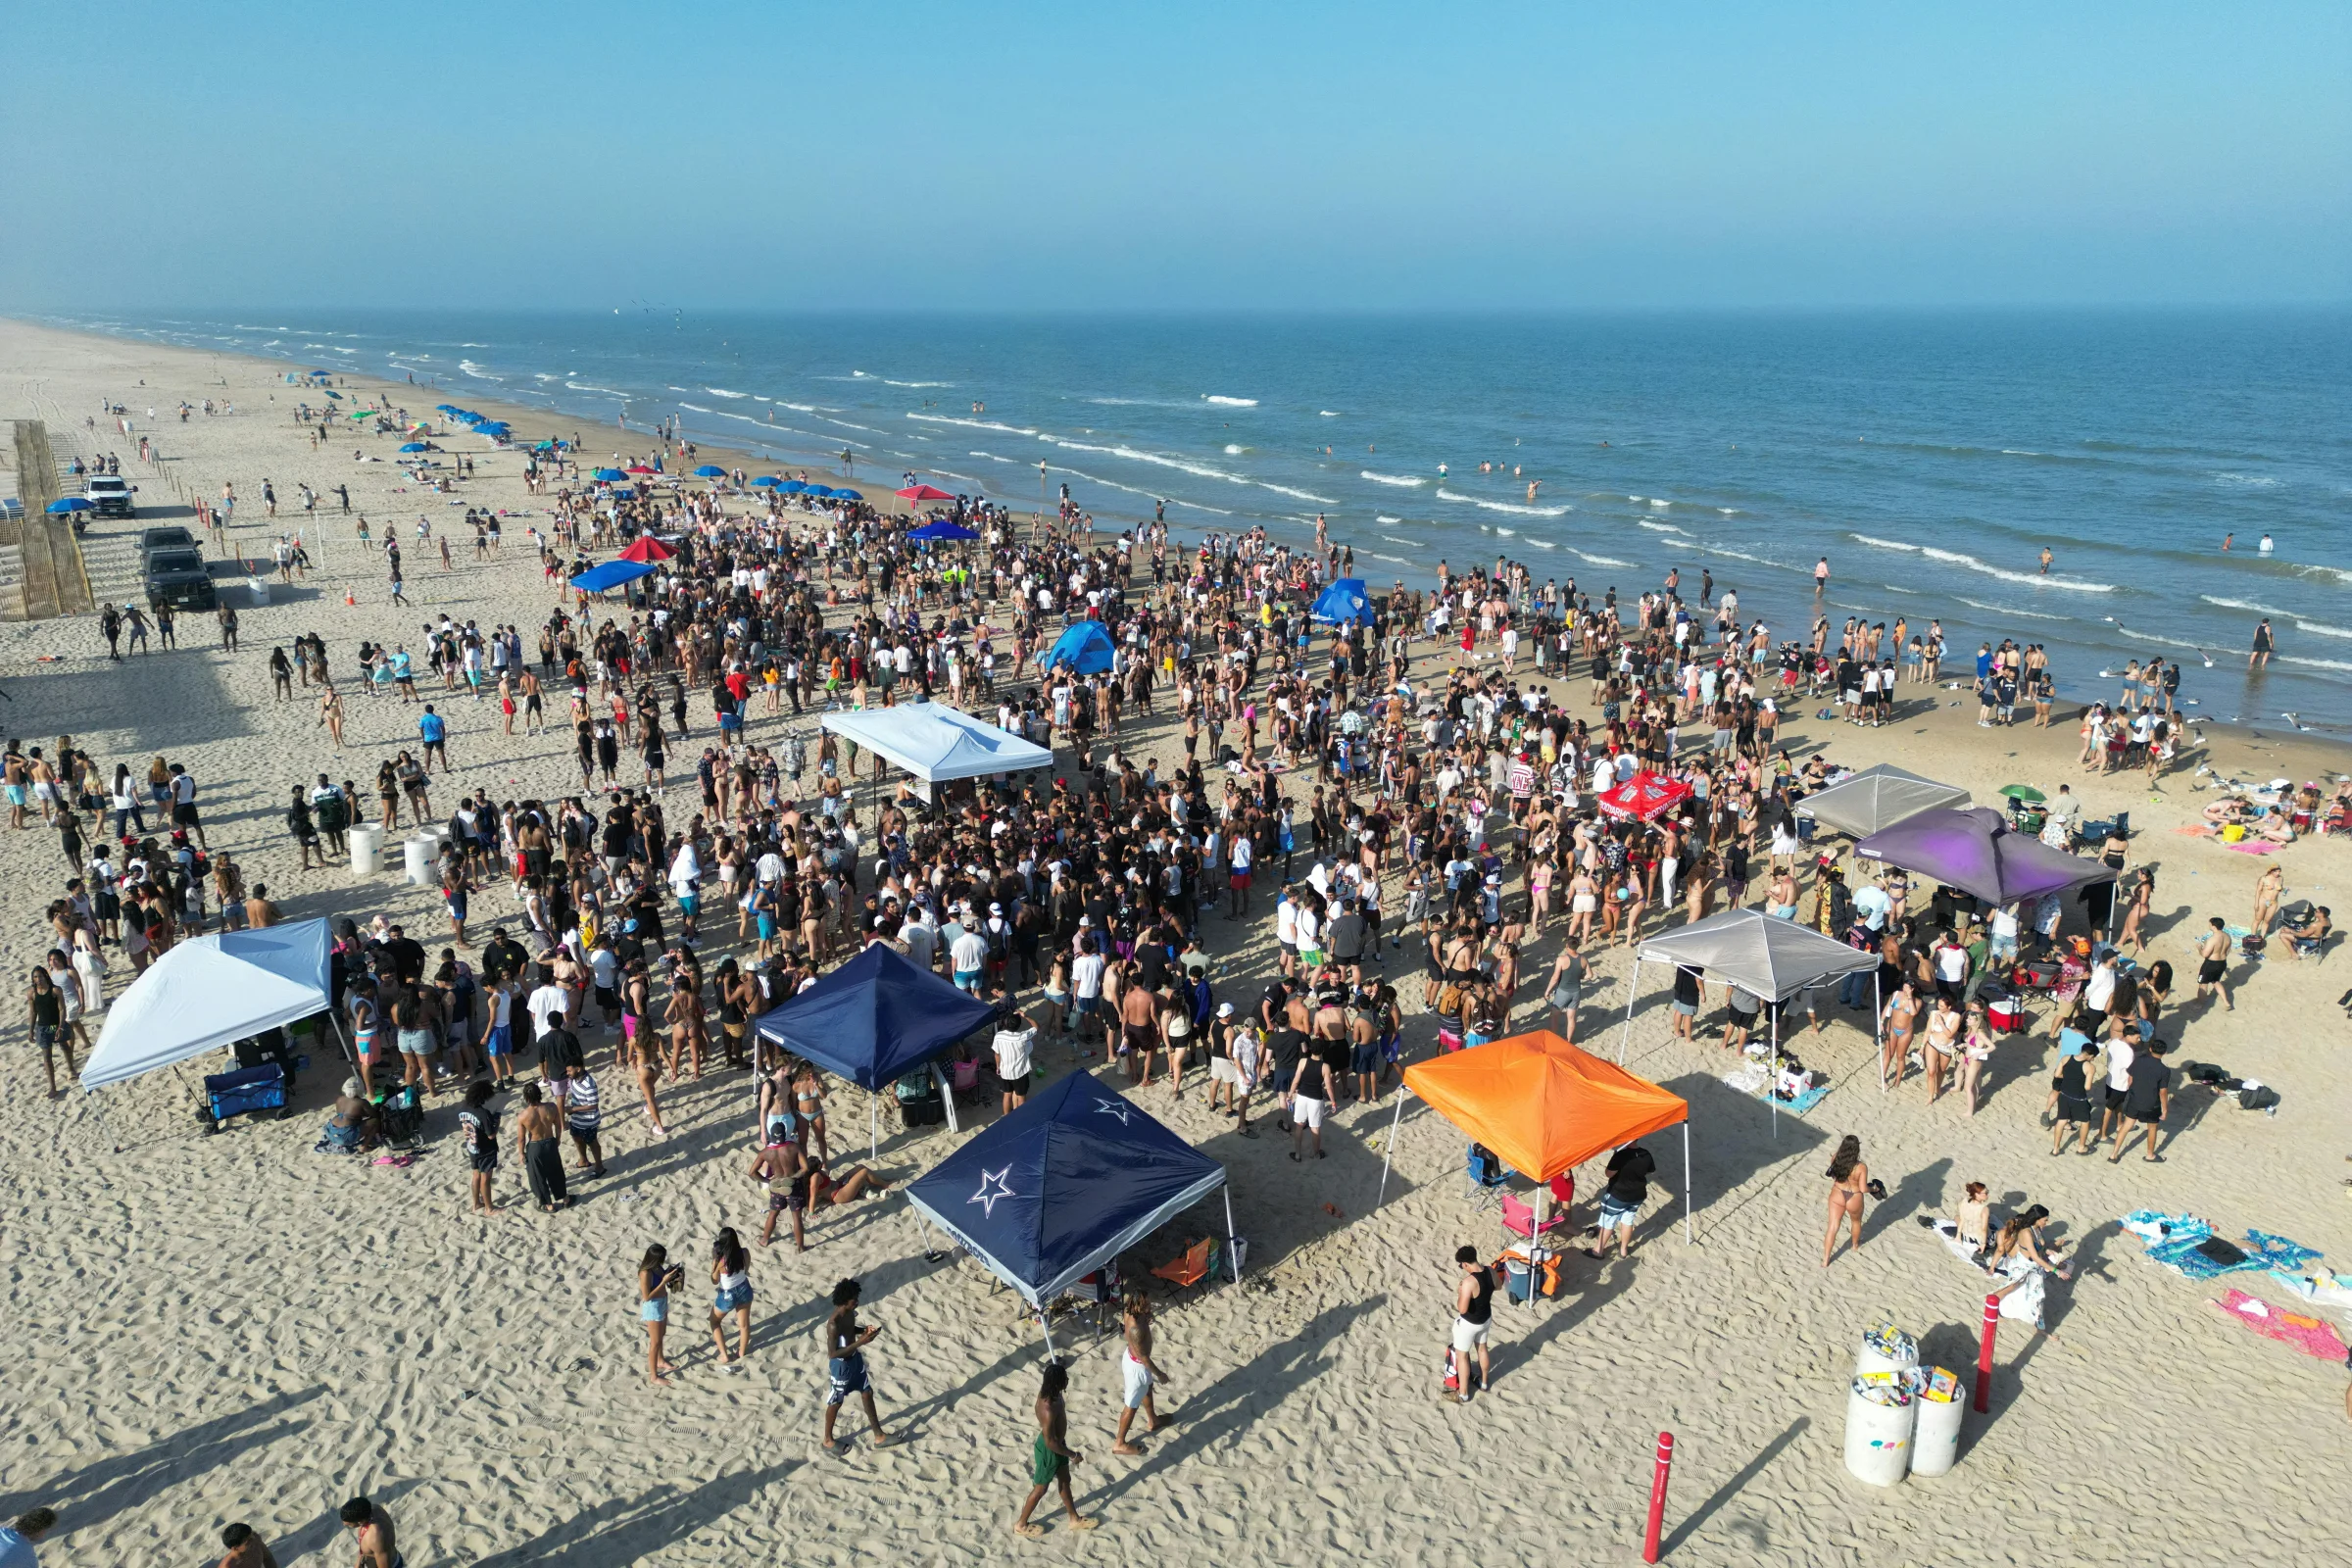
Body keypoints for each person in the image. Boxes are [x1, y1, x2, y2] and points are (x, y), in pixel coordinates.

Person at [1014, 1361, 1095, 1538]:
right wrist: (1072, 1454)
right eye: (1064, 1378)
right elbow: (1050, 1442)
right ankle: (1021, 1525)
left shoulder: (1053, 1393)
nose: (1067, 1379)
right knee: (1040, 1489)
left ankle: (1074, 1519)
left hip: (1059, 1445)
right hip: (1051, 1452)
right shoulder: (1048, 1407)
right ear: (1056, 1383)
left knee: (1065, 1481)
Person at [821, 1276, 890, 1451]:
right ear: (844, 1301)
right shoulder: (833, 1324)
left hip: (855, 1360)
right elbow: (832, 1354)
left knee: (867, 1392)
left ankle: (879, 1436)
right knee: (836, 1402)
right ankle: (827, 1440)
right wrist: (861, 1342)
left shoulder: (850, 1313)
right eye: (854, 1300)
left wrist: (864, 1331)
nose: (857, 1303)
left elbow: (850, 1330)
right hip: (841, 1366)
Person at [1110, 1291, 1170, 1455]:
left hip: (1132, 1359)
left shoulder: (1130, 1309)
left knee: (1148, 1388)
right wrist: (1160, 1374)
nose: (1150, 1306)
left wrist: (1148, 1315)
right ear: (1139, 1305)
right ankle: (1119, 1443)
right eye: (1147, 1304)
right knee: (1131, 1406)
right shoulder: (1136, 1329)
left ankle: (1153, 1420)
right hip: (1137, 1368)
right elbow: (1144, 1358)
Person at [1588, 1141, 1655, 1260]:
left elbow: (1608, 1174)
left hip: (1618, 1195)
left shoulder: (1621, 1155)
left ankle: (1598, 1251)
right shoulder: (1646, 1154)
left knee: (1608, 1222)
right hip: (1637, 1195)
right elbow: (1650, 1171)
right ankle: (1623, 1250)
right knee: (1627, 1221)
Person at [2109, 1040, 2173, 1163]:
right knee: (2152, 1128)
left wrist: (2132, 1090)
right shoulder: (2164, 1070)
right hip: (2151, 1103)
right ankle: (2150, 1155)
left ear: (2150, 1049)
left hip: (2135, 1099)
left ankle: (2114, 1154)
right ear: (2164, 1053)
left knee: (2127, 1125)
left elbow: (2130, 1078)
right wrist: (2164, 1109)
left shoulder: (2139, 1060)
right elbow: (2163, 1092)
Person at [1450, 1243, 1495, 1404]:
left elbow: (1462, 1309)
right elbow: (1498, 1285)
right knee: (1482, 1348)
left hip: (1470, 1323)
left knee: (1462, 1356)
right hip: (1486, 1318)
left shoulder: (1469, 1282)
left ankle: (1463, 1394)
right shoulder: (1490, 1270)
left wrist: (1460, 1292)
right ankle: (1483, 1383)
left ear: (1465, 1264)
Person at [514, 1081, 568, 1212]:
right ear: (539, 1094)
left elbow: (521, 1139)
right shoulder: (551, 1107)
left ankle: (548, 1205)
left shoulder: (523, 1116)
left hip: (535, 1145)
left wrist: (521, 1153)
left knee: (537, 1176)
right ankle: (565, 1198)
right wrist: (558, 1139)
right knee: (556, 1172)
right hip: (550, 1142)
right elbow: (558, 1125)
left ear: (526, 1098)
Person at [1822, 1134, 1871, 1267]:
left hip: (1837, 1193)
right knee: (1856, 1222)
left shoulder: (1835, 1158)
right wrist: (1874, 1189)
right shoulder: (1861, 1167)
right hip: (1853, 1195)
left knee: (1832, 1226)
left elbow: (1834, 1176)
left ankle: (1825, 1259)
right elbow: (1863, 1188)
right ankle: (1855, 1245)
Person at [2045, 1038, 2099, 1154]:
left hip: (2064, 1094)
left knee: (2061, 1120)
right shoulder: (2090, 1067)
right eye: (2093, 1057)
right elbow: (2087, 1087)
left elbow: (2057, 1074)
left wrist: (2069, 1078)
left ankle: (2055, 1149)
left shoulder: (2066, 1058)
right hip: (2079, 1098)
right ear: (2090, 1055)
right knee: (2085, 1121)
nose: (2093, 1059)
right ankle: (2081, 1147)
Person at [1287, 1035, 1336, 1162]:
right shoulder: (1325, 1067)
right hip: (1315, 1099)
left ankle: (1297, 1154)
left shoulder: (1303, 1061)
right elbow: (1329, 1087)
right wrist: (1333, 1101)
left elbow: (1296, 1080)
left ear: (1310, 1049)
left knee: (1299, 1126)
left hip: (1302, 1097)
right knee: (1315, 1128)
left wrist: (1290, 1093)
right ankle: (1316, 1153)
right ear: (1322, 1051)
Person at [638, 1244, 682, 1387]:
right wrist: (664, 1281)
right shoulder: (645, 1272)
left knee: (662, 1333)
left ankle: (660, 1360)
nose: (662, 1261)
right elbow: (647, 1296)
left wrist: (669, 1274)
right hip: (653, 1308)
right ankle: (653, 1376)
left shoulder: (657, 1267)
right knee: (655, 1343)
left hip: (662, 1302)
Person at [710, 1227, 753, 1366]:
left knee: (714, 1322)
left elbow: (714, 1280)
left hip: (728, 1294)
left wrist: (715, 1265)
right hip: (744, 1288)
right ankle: (741, 1352)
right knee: (744, 1325)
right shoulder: (744, 1252)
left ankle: (724, 1355)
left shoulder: (720, 1261)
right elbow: (746, 1269)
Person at [457, 1081, 498, 1214]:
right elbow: (491, 1135)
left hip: (472, 1146)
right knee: (485, 1178)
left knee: (476, 1175)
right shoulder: (483, 1113)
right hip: (486, 1148)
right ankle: (489, 1208)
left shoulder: (463, 1108)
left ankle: (476, 1204)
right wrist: (496, 1123)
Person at [993, 1004, 1037, 1113]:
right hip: (1020, 1072)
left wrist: (998, 1066)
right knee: (1021, 1096)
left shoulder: (999, 1036)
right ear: (1018, 1026)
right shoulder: (1022, 1037)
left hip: (1005, 1071)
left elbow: (997, 1054)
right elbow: (1036, 1027)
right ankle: (1020, 1117)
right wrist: (1025, 1016)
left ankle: (1006, 1117)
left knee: (1007, 1095)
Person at [338, 1497, 398, 1568]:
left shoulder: (375, 1537)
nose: (344, 1524)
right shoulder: (374, 1508)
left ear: (361, 1522)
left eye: (349, 1524)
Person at [2194, 917, 2233, 1011]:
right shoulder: (2228, 937)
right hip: (2222, 963)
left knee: (2203, 984)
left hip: (2210, 964)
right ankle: (2226, 1002)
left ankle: (2199, 1004)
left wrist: (2199, 948)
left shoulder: (2212, 939)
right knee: (2215, 981)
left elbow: (2205, 954)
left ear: (2213, 926)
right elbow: (2228, 951)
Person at [216, 1520, 280, 1568]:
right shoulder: (229, 1566)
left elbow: (268, 1558)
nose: (253, 1539)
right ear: (235, 1548)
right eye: (248, 1540)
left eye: (251, 1534)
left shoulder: (255, 1539)